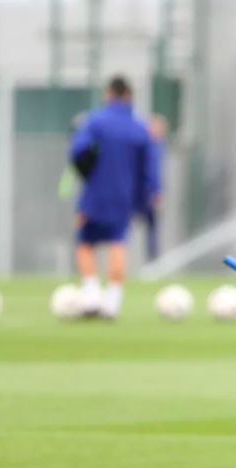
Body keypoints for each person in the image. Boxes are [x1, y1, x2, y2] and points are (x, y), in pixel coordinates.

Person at [70, 75, 153, 318]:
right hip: (124, 197)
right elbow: (148, 167)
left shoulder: (95, 122)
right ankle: (113, 302)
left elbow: (77, 151)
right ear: (129, 96)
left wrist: (85, 170)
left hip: (95, 194)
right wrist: (145, 197)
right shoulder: (138, 127)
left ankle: (93, 296)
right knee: (118, 244)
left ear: (109, 94)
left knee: (85, 243)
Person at [137, 114, 167, 262]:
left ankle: (151, 260)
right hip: (142, 194)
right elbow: (151, 172)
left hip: (144, 193)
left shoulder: (158, 145)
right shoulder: (149, 146)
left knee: (152, 227)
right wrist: (155, 193)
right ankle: (149, 260)